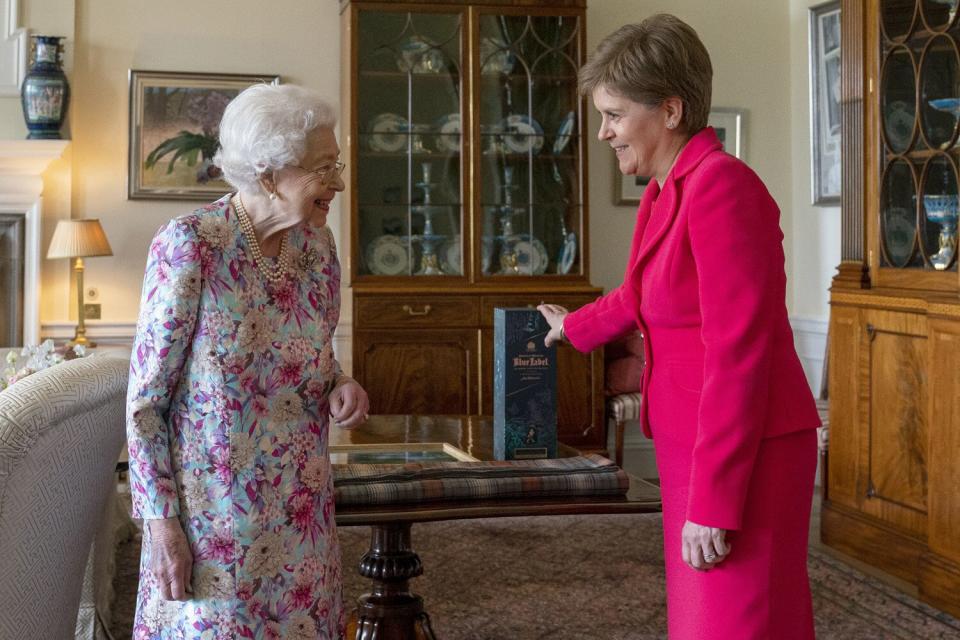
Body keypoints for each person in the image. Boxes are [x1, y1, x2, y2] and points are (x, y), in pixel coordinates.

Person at [538, 15, 821, 639]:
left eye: (614, 114)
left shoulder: (724, 189)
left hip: (746, 449)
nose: (605, 131)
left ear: (670, 109)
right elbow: (641, 295)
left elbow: (740, 354)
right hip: (695, 440)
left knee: (739, 623)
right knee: (703, 620)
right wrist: (572, 328)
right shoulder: (666, 191)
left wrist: (716, 503)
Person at [126, 83, 369, 640]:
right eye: (322, 168)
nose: (338, 182)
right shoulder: (191, 246)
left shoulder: (318, 248)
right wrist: (161, 527)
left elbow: (315, 353)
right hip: (215, 524)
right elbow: (146, 405)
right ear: (268, 174)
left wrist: (341, 382)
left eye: (338, 164)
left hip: (301, 513)